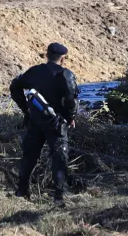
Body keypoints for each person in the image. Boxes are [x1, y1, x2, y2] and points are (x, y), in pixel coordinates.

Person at [10, 43, 80, 207]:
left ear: (47, 55)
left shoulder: (34, 72)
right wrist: (70, 117)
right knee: (60, 156)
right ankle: (59, 196)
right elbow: (71, 100)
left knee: (29, 155)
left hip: (36, 121)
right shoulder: (66, 74)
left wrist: (26, 109)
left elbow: (15, 86)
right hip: (57, 124)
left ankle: (22, 191)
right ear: (63, 58)